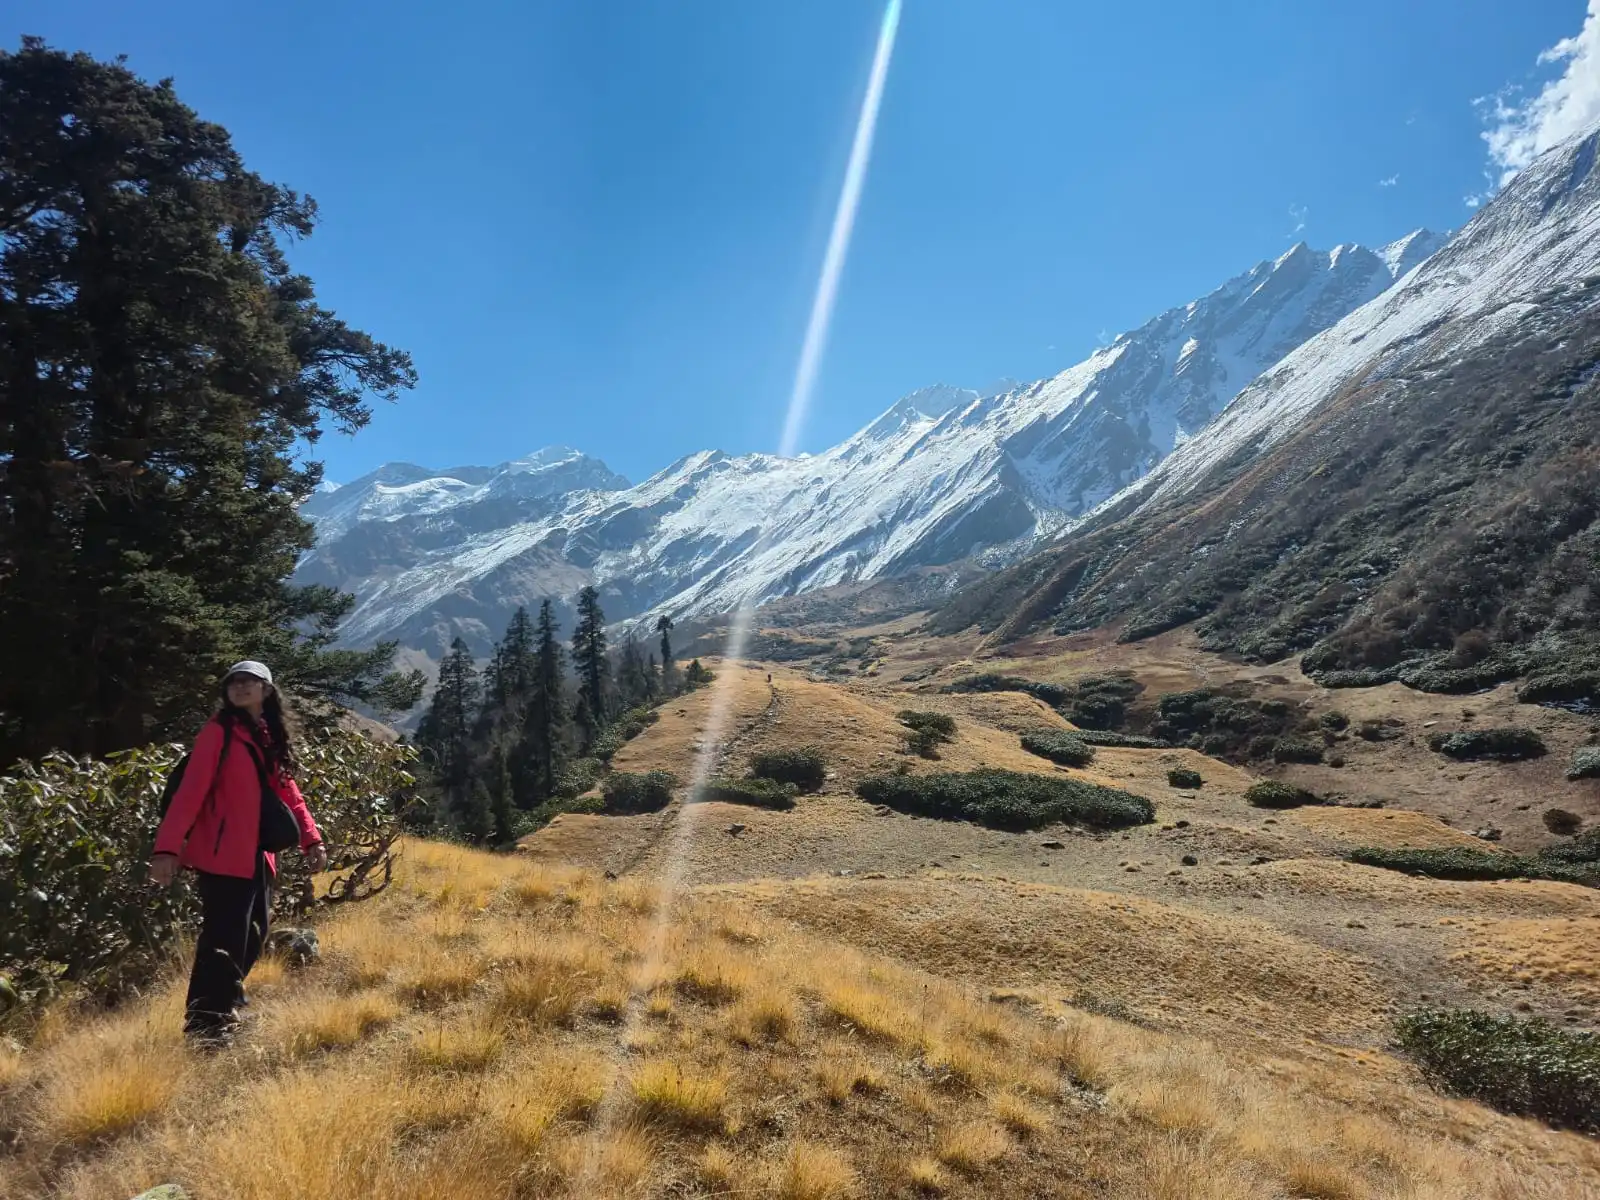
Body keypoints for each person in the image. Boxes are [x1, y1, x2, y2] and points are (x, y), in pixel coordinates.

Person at [149, 660, 327, 1044]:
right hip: (222, 853)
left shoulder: (266, 735)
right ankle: (206, 1024)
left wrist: (312, 838)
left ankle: (225, 1003)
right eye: (234, 682)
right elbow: (190, 792)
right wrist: (166, 849)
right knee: (222, 939)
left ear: (266, 690)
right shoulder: (219, 732)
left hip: (258, 855)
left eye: (250, 681)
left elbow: (288, 793)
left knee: (254, 936)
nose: (240, 687)